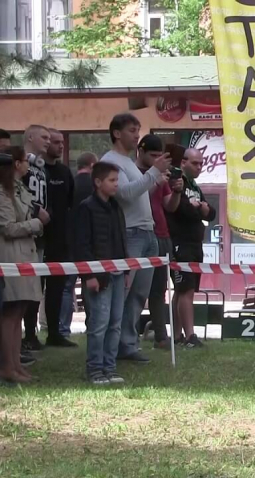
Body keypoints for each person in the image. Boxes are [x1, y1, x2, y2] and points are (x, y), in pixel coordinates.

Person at [101, 113, 169, 364]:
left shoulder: (128, 162)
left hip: (147, 231)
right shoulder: (111, 161)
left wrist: (154, 180)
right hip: (131, 232)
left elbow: (138, 193)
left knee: (140, 293)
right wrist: (153, 173)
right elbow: (126, 194)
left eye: (138, 129)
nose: (136, 134)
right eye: (132, 130)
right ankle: (114, 343)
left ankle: (128, 344)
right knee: (124, 292)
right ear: (117, 133)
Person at [75, 162, 129, 385]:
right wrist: (89, 276)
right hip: (99, 275)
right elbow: (81, 245)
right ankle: (95, 368)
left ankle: (110, 366)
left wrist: (125, 270)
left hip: (117, 274)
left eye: (117, 180)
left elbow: (121, 240)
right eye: (112, 180)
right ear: (98, 182)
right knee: (99, 324)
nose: (116, 184)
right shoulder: (86, 208)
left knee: (115, 323)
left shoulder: (116, 207)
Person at [0, 146, 49, 383]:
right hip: (10, 257)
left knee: (19, 312)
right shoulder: (2, 191)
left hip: (24, 255)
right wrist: (36, 224)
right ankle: (7, 366)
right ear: (15, 164)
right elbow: (8, 228)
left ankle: (16, 364)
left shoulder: (19, 188)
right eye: (24, 160)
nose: (28, 165)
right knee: (10, 313)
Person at [167, 148, 215, 348]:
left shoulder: (194, 185)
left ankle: (177, 335)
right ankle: (190, 336)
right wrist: (196, 208)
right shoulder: (177, 181)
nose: (200, 167)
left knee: (184, 290)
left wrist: (203, 208)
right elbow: (180, 209)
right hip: (180, 243)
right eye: (195, 163)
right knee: (184, 289)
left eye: (202, 163)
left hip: (195, 244)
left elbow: (210, 212)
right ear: (183, 162)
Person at [135, 135, 180, 350]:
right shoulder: (134, 174)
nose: (155, 160)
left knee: (159, 289)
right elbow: (136, 197)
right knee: (135, 288)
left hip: (162, 234)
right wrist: (154, 182)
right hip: (139, 234)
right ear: (140, 152)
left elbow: (169, 206)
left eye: (158, 156)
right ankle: (130, 333)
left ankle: (161, 336)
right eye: (152, 156)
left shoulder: (160, 175)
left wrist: (177, 192)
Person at [42, 128, 76, 347]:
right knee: (33, 288)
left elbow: (71, 204)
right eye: (55, 142)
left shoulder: (65, 172)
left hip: (60, 239)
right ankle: (30, 335)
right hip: (38, 237)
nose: (60, 146)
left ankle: (54, 333)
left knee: (57, 287)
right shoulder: (36, 171)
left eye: (62, 142)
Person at [60, 152, 98, 337]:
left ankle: (63, 328)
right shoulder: (94, 186)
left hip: (69, 239)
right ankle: (92, 325)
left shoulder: (72, 184)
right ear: (92, 165)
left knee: (67, 287)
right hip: (90, 241)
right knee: (89, 283)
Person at [20, 125, 50, 352]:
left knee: (35, 288)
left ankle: (31, 334)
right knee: (21, 288)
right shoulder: (21, 163)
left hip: (38, 233)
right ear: (30, 137)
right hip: (22, 231)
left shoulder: (41, 167)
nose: (48, 142)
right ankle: (25, 336)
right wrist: (36, 210)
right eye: (44, 137)